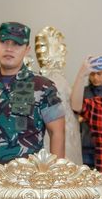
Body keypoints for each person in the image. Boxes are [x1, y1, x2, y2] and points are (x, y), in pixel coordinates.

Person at [0, 22, 65, 173]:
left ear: (27, 49)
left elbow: (57, 132)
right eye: (4, 42)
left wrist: (56, 176)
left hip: (28, 182)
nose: (9, 49)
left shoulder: (43, 86)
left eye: (17, 44)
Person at [35, 26, 82, 164]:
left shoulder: (56, 79)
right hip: (57, 142)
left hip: (65, 138)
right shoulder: (53, 80)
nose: (64, 50)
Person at [71, 55, 102, 167]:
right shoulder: (83, 91)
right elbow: (75, 111)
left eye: (99, 74)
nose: (95, 77)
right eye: (92, 74)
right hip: (86, 142)